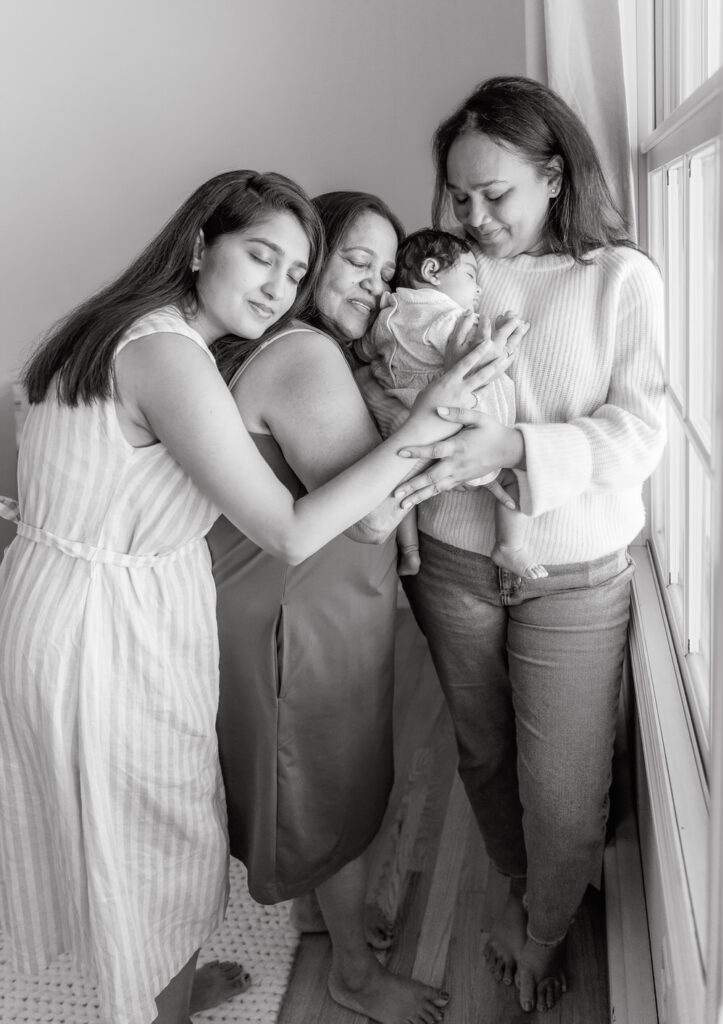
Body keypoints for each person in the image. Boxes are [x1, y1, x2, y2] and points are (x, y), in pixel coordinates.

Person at [0, 171, 497, 1024]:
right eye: (262, 256)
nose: (278, 286)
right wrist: (426, 424)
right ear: (199, 246)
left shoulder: (117, 328)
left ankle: (167, 985)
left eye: (294, 272)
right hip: (103, 625)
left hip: (81, 597)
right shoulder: (168, 353)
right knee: (147, 841)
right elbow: (293, 531)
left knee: (149, 829)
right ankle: (153, 1006)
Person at [368, 76, 666, 1014]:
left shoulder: (619, 277)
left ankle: (543, 925)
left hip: (575, 571)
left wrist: (515, 449)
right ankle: (521, 881)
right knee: (485, 752)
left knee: (567, 783)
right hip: (454, 561)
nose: (474, 216)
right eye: (458, 196)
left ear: (553, 175)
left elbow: (642, 433)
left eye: (494, 194)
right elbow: (383, 379)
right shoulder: (440, 275)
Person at [210, 191, 519, 1024]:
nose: (378, 288)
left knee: (312, 782)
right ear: (314, 256)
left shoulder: (299, 347)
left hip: (307, 601)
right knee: (330, 790)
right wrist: (448, 400)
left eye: (387, 272)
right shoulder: (305, 355)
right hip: (301, 615)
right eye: (356, 262)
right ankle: (353, 974)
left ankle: (321, 912)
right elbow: (374, 513)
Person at [355, 227, 540, 579]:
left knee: (404, 491)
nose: (479, 289)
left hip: (409, 425)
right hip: (460, 424)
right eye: (471, 276)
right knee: (517, 477)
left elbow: (364, 351)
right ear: (431, 272)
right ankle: (509, 546)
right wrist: (506, 335)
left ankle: (409, 550)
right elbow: (477, 361)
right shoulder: (447, 317)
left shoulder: (385, 316)